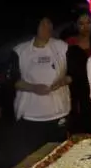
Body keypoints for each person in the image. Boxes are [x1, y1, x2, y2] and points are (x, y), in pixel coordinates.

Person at [11, 15, 72, 156]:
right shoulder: (20, 51)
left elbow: (73, 74)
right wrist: (33, 87)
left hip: (58, 112)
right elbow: (14, 81)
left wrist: (63, 81)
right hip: (31, 116)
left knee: (59, 153)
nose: (47, 27)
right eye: (43, 24)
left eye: (49, 23)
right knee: (34, 155)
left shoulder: (62, 47)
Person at [65, 9, 91, 134]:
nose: (86, 27)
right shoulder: (69, 43)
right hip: (76, 90)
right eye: (81, 24)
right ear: (75, 25)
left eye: (88, 22)